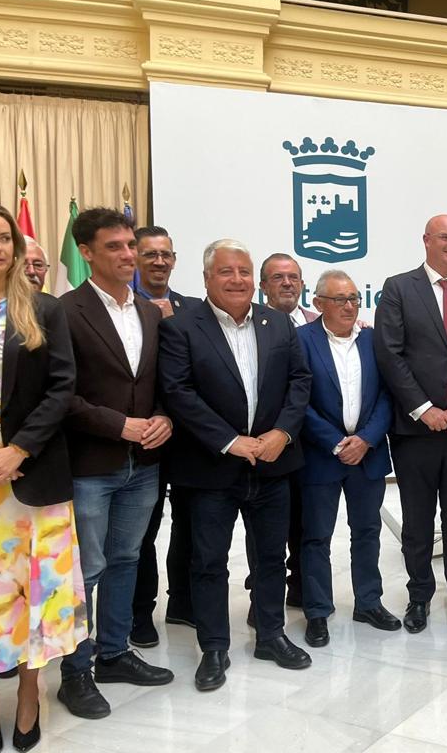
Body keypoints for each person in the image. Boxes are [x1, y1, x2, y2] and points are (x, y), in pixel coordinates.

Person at [158, 239, 312, 692]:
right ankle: (214, 647)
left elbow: (299, 382)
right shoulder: (183, 327)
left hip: (272, 464)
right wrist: (230, 441)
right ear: (207, 278)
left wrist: (282, 434)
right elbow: (178, 392)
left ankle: (271, 635)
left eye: (244, 271)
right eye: (227, 272)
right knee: (208, 562)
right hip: (210, 469)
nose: (238, 279)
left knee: (270, 558)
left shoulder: (278, 324)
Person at [0, 201, 82, 752]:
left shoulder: (43, 309)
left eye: (5, 238)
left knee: (37, 592)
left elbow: (62, 388)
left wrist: (18, 451)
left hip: (32, 478)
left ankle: (30, 693)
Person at [57, 208, 175, 721]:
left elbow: (162, 384)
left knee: (128, 559)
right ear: (86, 253)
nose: (129, 255)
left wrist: (165, 418)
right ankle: (75, 672)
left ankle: (114, 652)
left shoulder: (150, 312)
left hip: (144, 462)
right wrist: (118, 425)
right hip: (90, 463)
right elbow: (59, 395)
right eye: (115, 247)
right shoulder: (64, 310)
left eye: (131, 245)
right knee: (87, 569)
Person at [373, 214, 447, 633]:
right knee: (418, 520)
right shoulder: (397, 289)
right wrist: (424, 408)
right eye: (446, 237)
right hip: (415, 431)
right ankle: (419, 596)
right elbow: (390, 354)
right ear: (425, 240)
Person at [296, 270, 398, 645]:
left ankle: (368, 602)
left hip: (367, 455)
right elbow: (298, 401)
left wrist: (367, 439)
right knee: (317, 537)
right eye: (339, 299)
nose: (349, 306)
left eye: (354, 298)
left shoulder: (373, 340)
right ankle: (318, 611)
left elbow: (388, 396)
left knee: (367, 532)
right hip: (322, 456)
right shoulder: (302, 340)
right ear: (318, 303)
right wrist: (338, 442)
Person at [129, 224, 196, 648]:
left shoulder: (191, 308)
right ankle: (140, 614)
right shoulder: (124, 307)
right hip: (144, 438)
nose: (159, 261)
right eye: (150, 254)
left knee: (191, 525)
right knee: (142, 533)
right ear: (135, 257)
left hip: (189, 438)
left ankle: (183, 602)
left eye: (165, 254)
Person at [256, 252, 315, 610]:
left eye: (293, 277)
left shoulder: (318, 322)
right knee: (266, 531)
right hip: (270, 444)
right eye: (278, 277)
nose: (287, 283)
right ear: (263, 286)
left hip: (312, 445)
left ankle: (302, 588)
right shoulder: (250, 324)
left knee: (305, 524)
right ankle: (263, 597)